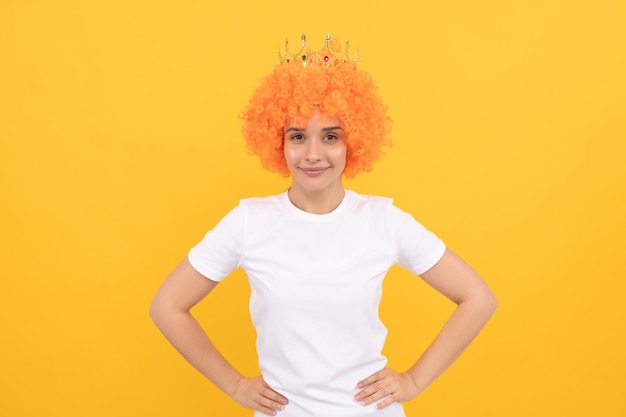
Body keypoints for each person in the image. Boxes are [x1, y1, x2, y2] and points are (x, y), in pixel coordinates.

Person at [150, 34, 497, 417]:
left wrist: (413, 381)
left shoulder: (383, 221)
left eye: (330, 136)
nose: (313, 154)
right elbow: (168, 306)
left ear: (354, 143)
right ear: (278, 144)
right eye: (298, 136)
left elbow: (478, 298)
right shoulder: (249, 222)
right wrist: (235, 385)